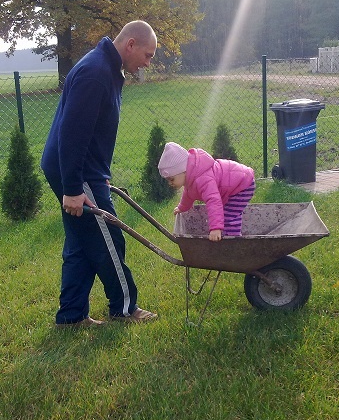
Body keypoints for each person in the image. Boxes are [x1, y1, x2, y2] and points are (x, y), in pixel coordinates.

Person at [41, 21, 159, 328]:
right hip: (76, 173)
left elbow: (90, 132)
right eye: (147, 55)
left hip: (84, 171)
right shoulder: (95, 73)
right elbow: (72, 135)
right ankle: (125, 308)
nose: (147, 63)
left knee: (82, 242)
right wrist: (72, 187)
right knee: (109, 240)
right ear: (130, 44)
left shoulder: (104, 68)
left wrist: (99, 175)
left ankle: (71, 316)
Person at [158, 142, 255, 242]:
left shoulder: (202, 179)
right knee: (226, 212)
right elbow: (188, 194)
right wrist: (182, 207)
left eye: (171, 179)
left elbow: (213, 200)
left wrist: (215, 228)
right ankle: (228, 237)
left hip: (242, 185)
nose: (169, 183)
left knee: (229, 216)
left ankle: (233, 242)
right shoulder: (190, 178)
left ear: (183, 171)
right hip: (232, 183)